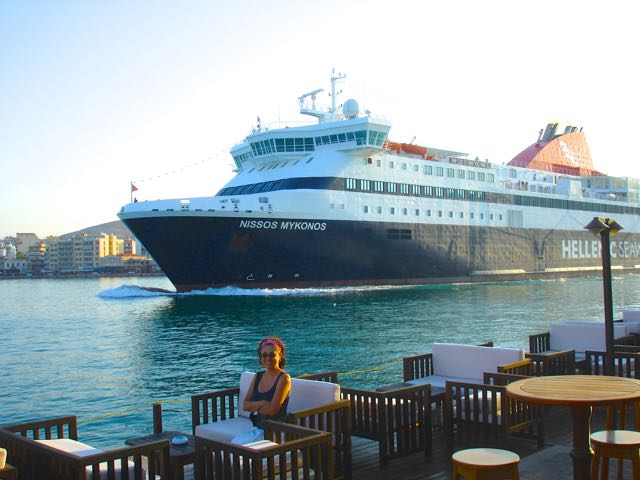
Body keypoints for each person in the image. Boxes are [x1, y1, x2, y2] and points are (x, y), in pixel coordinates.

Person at [242, 337, 291, 429]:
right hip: (259, 428)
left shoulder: (284, 378)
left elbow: (272, 410)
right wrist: (263, 403)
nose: (268, 358)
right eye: (264, 355)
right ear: (260, 357)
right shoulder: (258, 376)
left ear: (279, 356)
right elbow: (245, 406)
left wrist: (254, 406)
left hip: (276, 431)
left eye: (272, 355)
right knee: (232, 443)